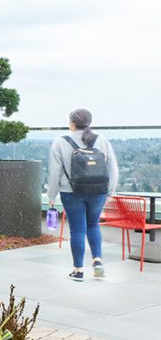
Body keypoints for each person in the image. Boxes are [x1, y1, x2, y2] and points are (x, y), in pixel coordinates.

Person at [46, 109, 118, 282]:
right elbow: (112, 168)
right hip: (98, 191)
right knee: (93, 225)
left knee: (77, 229)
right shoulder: (101, 140)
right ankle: (98, 263)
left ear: (71, 123)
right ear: (89, 123)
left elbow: (54, 172)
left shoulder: (60, 142)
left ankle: (78, 271)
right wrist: (111, 191)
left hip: (71, 192)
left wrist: (51, 195)